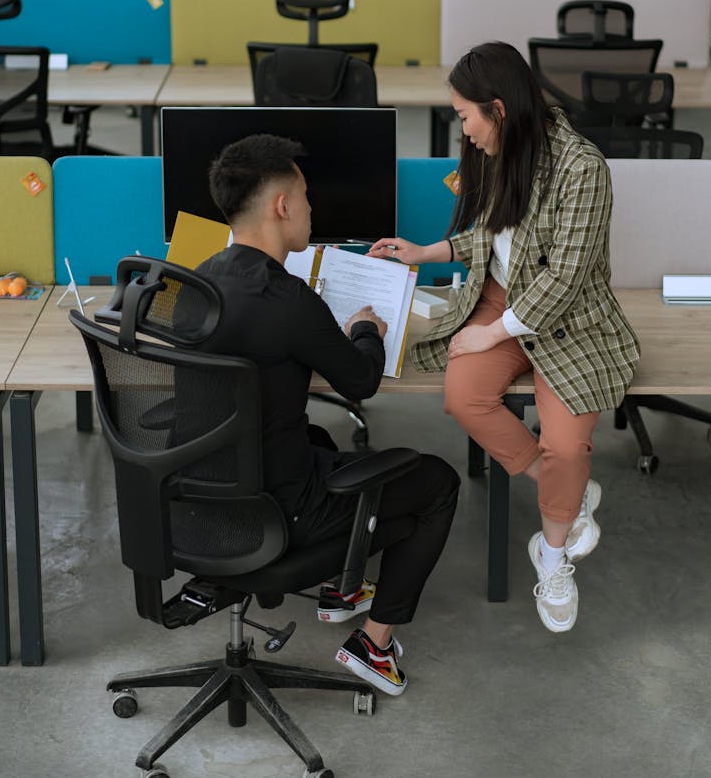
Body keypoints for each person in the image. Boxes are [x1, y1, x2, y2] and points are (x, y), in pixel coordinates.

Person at [369, 41, 640, 634]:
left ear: (497, 108)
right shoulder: (502, 152)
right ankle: (564, 494)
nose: (462, 131)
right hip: (498, 297)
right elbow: (491, 237)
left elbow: (566, 277)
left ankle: (551, 550)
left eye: (465, 116)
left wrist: (494, 333)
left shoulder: (581, 168)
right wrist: (428, 252)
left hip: (567, 319)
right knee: (463, 398)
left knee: (567, 444)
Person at [190, 133, 460, 695]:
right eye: (306, 197)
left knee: (314, 433)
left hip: (197, 495)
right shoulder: (288, 299)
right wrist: (367, 330)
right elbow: (360, 383)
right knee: (435, 484)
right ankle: (374, 646)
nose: (313, 210)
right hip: (276, 506)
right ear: (282, 206)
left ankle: (344, 587)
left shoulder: (196, 277)